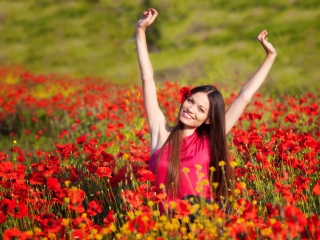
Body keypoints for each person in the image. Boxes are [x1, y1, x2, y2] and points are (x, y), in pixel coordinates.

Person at [135, 8, 277, 209]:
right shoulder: (160, 133)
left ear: (209, 119)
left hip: (202, 224)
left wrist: (270, 56)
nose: (191, 109)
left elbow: (244, 96)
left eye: (201, 110)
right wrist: (140, 31)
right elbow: (147, 78)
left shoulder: (209, 140)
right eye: (191, 101)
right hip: (161, 227)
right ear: (184, 98)